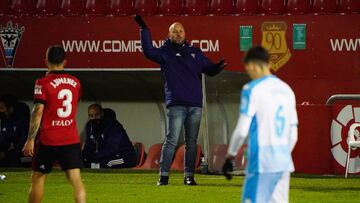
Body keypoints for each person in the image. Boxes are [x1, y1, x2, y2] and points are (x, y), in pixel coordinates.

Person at [134, 15, 227, 186]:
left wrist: (217, 67)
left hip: (195, 105)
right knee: (172, 140)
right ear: (169, 35)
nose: (178, 34)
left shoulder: (195, 52)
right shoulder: (164, 53)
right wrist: (143, 29)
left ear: (185, 33)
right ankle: (163, 176)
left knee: (191, 143)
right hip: (176, 104)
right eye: (174, 31)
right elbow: (148, 51)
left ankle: (189, 176)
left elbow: (209, 69)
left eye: (180, 31)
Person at [222, 46, 298, 203]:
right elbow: (293, 133)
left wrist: (230, 156)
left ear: (252, 65)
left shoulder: (251, 89)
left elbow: (242, 130)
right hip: (283, 162)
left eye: (248, 68)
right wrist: (281, 154)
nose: (248, 72)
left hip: (261, 162)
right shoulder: (287, 90)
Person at [22, 45, 86, 203]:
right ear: (65, 61)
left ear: (45, 61)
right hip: (70, 138)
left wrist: (30, 139)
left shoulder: (42, 83)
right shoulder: (76, 82)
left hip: (49, 139)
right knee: (76, 180)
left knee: (37, 177)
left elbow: (38, 111)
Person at [82, 104, 137, 169]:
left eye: (96, 115)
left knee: (107, 164)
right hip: (109, 156)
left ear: (102, 113)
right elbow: (89, 145)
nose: (94, 118)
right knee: (84, 162)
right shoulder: (90, 126)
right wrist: (84, 156)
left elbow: (112, 149)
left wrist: (94, 157)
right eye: (91, 116)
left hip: (125, 156)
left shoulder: (114, 126)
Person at [0, 94, 30, 167]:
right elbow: (4, 139)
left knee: (13, 159)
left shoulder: (23, 120)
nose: (0, 110)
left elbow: (23, 141)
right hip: (12, 152)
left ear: (10, 108)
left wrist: (6, 153)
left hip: (26, 152)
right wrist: (2, 150)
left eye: (1, 108)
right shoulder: (5, 119)